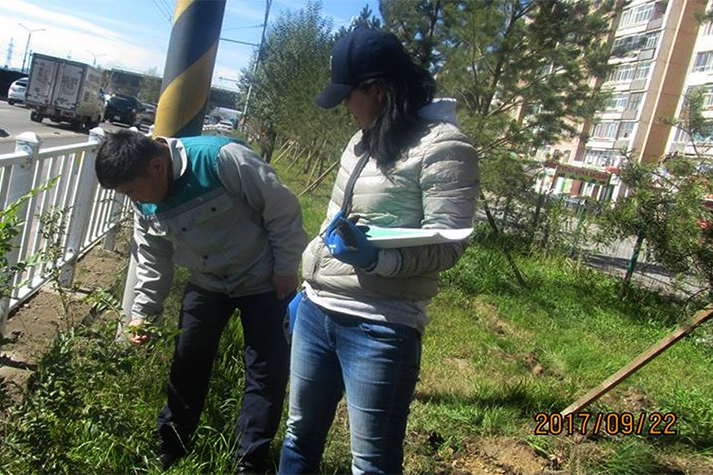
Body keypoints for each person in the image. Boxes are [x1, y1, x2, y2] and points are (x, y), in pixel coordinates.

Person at [279, 27, 479, 474]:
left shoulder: (444, 146)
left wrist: (377, 259)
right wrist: (309, 284)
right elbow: (337, 219)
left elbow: (449, 243)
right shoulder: (361, 141)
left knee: (370, 464)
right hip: (316, 311)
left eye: (350, 95)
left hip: (380, 326)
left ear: (378, 89)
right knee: (298, 435)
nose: (346, 107)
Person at [94, 129, 308, 473]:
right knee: (187, 360)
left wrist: (285, 267)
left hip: (264, 279)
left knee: (265, 370)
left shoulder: (221, 159)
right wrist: (143, 314)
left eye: (131, 190)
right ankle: (172, 445)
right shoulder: (143, 198)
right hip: (208, 281)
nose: (132, 198)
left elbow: (282, 208)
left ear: (156, 166)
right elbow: (152, 258)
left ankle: (249, 462)